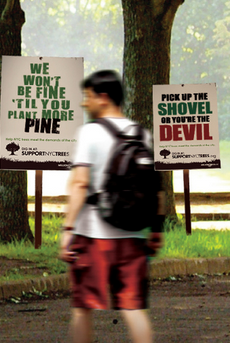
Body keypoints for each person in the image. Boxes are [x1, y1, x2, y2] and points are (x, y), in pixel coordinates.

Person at [60, 70, 164, 343]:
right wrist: (156, 229)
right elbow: (155, 188)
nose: (84, 103)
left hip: (93, 235)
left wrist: (68, 228)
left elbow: (80, 183)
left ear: (103, 98)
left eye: (88, 96)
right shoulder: (141, 133)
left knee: (83, 308)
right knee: (134, 308)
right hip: (133, 234)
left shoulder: (89, 133)